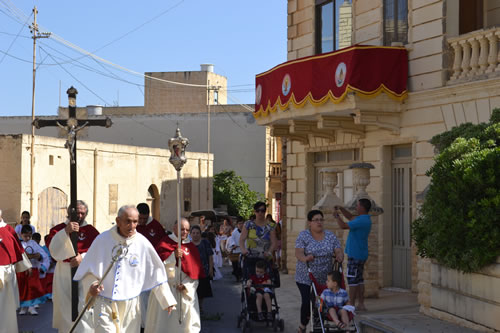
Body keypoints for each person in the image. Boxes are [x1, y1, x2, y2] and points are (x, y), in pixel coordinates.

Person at [73, 205, 176, 332]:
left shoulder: (142, 243)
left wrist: (166, 299)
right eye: (128, 221)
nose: (132, 226)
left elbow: (155, 272)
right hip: (104, 302)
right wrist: (93, 285)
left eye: (135, 222)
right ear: (118, 221)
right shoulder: (102, 240)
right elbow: (88, 269)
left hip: (131, 305)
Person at [46, 200, 100, 333]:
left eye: (83, 213)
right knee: (65, 306)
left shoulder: (91, 231)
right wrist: (65, 232)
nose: (80, 216)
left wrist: (83, 257)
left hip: (85, 273)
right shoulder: (58, 229)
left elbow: (99, 250)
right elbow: (52, 249)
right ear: (69, 213)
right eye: (77, 213)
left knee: (84, 306)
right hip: (64, 271)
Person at [146, 218, 203, 333]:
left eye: (187, 230)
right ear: (174, 228)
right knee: (163, 325)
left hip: (184, 292)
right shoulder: (164, 243)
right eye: (182, 229)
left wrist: (186, 286)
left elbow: (195, 273)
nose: (185, 232)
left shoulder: (191, 247)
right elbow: (156, 267)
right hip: (166, 290)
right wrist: (172, 255)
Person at [295, 209, 344, 333]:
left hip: (325, 276)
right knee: (307, 301)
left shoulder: (330, 235)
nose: (319, 222)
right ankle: (302, 325)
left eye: (321, 220)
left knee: (320, 301)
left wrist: (339, 255)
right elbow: (298, 252)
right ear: (309, 223)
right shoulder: (304, 235)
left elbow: (338, 249)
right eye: (316, 220)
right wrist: (305, 258)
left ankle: (318, 323)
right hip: (306, 275)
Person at [333, 199, 372, 312]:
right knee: (359, 280)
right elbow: (350, 217)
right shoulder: (364, 219)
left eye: (357, 205)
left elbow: (343, 225)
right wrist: (341, 209)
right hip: (361, 254)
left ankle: (351, 305)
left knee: (352, 280)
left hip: (355, 254)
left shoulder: (361, 221)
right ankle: (361, 304)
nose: (356, 207)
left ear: (362, 207)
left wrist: (336, 216)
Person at [136, 202, 167, 331]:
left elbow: (163, 246)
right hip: (136, 269)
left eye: (144, 218)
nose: (142, 221)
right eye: (140, 219)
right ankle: (139, 324)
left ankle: (149, 325)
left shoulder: (156, 226)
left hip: (150, 269)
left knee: (149, 299)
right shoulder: (133, 225)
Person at [0, 217, 31, 333]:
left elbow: (17, 248)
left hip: (8, 271)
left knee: (7, 307)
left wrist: (24, 266)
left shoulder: (8, 229)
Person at [17, 225, 50, 315]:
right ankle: (23, 308)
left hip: (33, 270)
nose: (27, 238)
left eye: (29, 236)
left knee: (33, 289)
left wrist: (38, 257)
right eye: (25, 236)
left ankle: (32, 307)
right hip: (23, 270)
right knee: (23, 289)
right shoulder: (19, 244)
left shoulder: (33, 244)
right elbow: (19, 256)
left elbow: (43, 255)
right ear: (21, 234)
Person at [190, 226, 213, 313]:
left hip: (204, 270)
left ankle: (200, 306)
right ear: (190, 234)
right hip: (191, 271)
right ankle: (194, 306)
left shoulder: (205, 243)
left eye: (197, 233)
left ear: (200, 234)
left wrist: (211, 268)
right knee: (193, 289)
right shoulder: (188, 244)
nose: (195, 235)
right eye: (193, 233)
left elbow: (210, 256)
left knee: (202, 290)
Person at [227, 216, 244, 281]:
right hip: (236, 251)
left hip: (242, 250)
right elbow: (232, 239)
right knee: (235, 265)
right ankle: (237, 276)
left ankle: (241, 275)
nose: (241, 225)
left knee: (241, 265)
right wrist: (233, 245)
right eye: (239, 224)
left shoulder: (245, 231)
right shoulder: (234, 232)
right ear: (237, 225)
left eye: (242, 223)